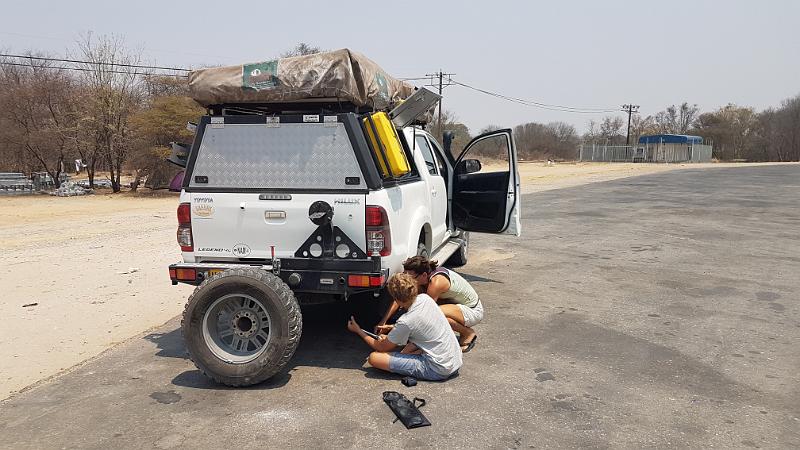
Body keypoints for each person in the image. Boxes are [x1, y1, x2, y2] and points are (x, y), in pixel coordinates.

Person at [347, 273, 462, 381]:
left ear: (396, 299)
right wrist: (393, 327)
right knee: (404, 349)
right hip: (455, 360)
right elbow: (421, 324)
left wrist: (358, 330)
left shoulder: (406, 321)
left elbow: (381, 347)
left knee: (374, 358)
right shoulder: (425, 299)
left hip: (439, 369)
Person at [377, 256, 482, 352]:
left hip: (472, 310)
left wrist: (394, 328)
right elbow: (400, 297)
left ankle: (468, 333)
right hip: (453, 305)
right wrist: (383, 322)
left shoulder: (436, 283)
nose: (408, 281)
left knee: (436, 315)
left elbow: (425, 314)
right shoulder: (422, 278)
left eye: (411, 278)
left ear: (424, 275)